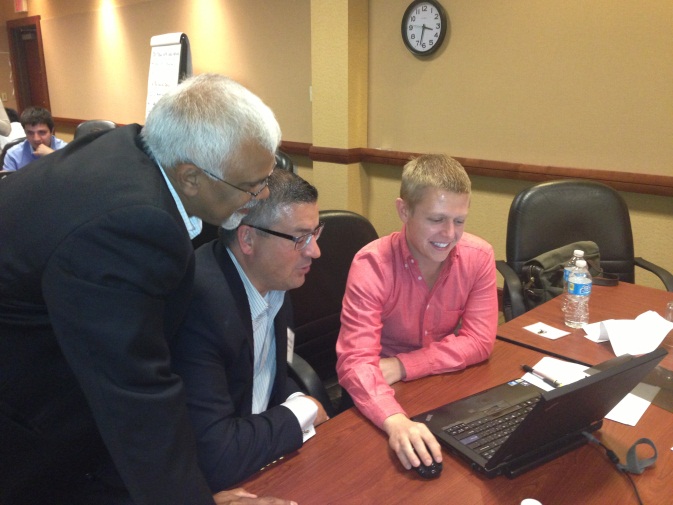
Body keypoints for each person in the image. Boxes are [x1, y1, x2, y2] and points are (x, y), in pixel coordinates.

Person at [0, 74, 295, 505]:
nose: (262, 194)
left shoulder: (138, 147)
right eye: (251, 186)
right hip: (25, 409)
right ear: (191, 177)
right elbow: (137, 397)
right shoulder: (131, 224)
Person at [335, 154, 498, 472]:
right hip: (376, 392)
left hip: (434, 384)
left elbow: (480, 341)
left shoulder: (478, 257)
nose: (449, 234)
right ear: (404, 210)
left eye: (460, 220)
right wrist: (395, 420)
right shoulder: (372, 265)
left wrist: (404, 365)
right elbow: (356, 363)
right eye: (436, 219)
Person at [172, 169, 329, 492]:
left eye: (316, 233)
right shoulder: (200, 306)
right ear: (247, 239)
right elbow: (217, 455)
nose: (315, 251)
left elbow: (264, 380)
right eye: (301, 238)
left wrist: (294, 400)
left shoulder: (276, 281)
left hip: (258, 459)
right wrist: (304, 408)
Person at [2, 105, 67, 170]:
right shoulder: (13, 155)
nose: (36, 139)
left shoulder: (65, 149)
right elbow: (8, 180)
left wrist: (53, 156)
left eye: (42, 132)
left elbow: (73, 175)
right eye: (30, 133)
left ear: (52, 131)